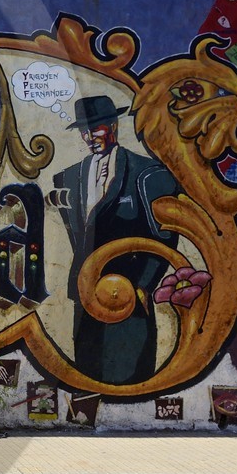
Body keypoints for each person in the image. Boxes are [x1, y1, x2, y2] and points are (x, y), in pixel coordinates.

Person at [51, 95, 178, 385]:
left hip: (128, 293)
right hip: (85, 292)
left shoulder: (146, 173)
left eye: (95, 129)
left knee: (130, 370)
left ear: (113, 126)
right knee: (88, 368)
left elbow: (165, 236)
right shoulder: (68, 178)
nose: (88, 137)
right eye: (83, 131)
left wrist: (143, 286)